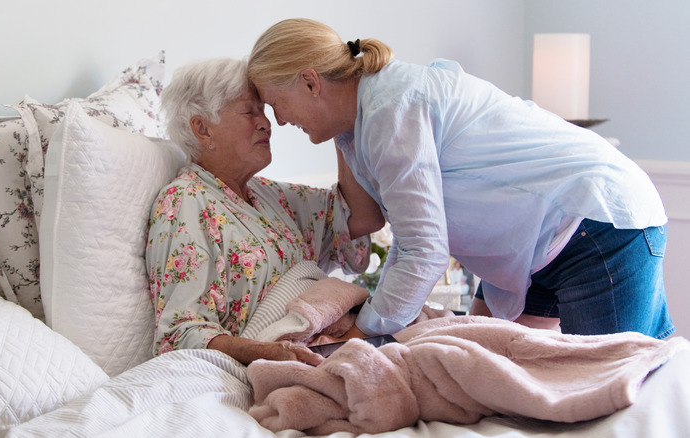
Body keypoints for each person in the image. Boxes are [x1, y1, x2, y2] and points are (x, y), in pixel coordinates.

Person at [247, 18, 674, 339]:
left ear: (309, 82)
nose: (279, 121)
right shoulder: (358, 128)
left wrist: (366, 329)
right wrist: (375, 318)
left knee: (608, 389)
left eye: (276, 104)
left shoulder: (391, 110)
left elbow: (424, 251)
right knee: (489, 367)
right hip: (538, 248)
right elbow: (401, 233)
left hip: (592, 222)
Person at [145, 57, 383, 366]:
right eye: (249, 111)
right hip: (294, 357)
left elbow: (359, 217)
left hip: (341, 337)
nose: (266, 123)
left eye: (264, 111)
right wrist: (275, 354)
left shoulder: (270, 195)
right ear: (202, 129)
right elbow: (180, 335)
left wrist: (340, 123)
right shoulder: (185, 201)